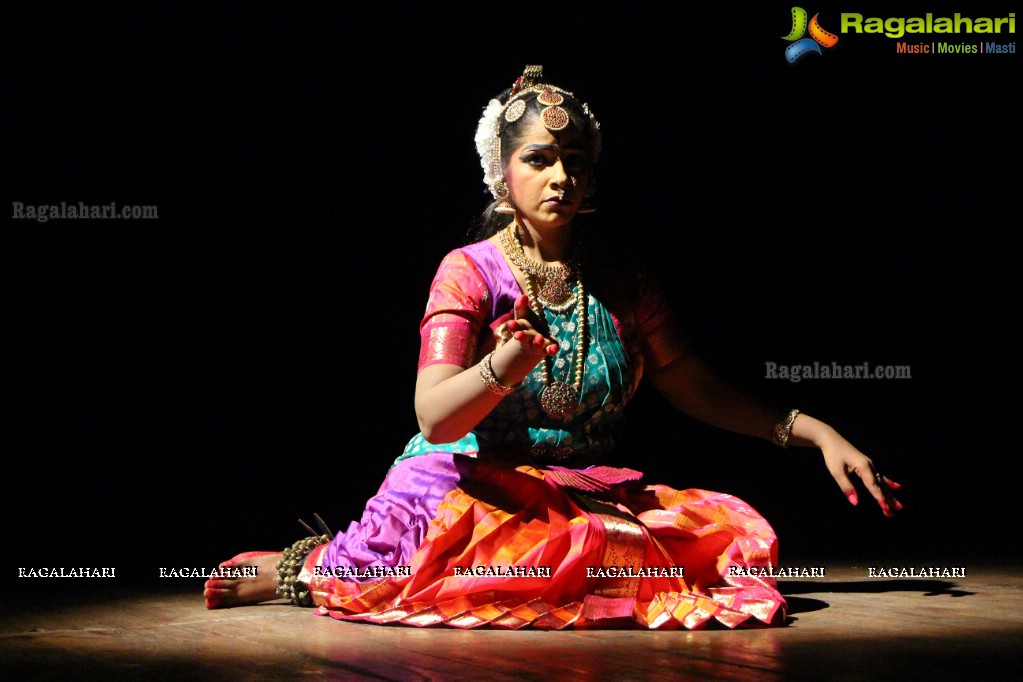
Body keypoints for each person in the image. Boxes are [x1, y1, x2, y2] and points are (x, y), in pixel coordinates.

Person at [204, 65, 902, 629]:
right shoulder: (469, 271)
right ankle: (308, 565)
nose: (559, 177)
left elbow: (698, 386)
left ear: (591, 179)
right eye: (538, 160)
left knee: (723, 543)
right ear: (501, 176)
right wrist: (500, 367)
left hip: (567, 498)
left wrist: (812, 431)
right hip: (461, 486)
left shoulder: (624, 283)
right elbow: (435, 420)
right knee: (501, 564)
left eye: (573, 162)